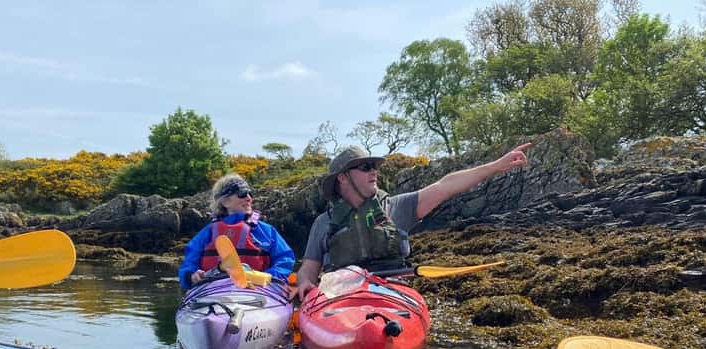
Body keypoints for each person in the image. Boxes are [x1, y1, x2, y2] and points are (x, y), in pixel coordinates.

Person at [295, 143, 532, 299]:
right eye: (365, 167)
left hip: (390, 292)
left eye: (375, 166)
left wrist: (496, 166)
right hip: (342, 297)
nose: (374, 171)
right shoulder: (323, 223)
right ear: (343, 178)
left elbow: (445, 185)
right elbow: (309, 268)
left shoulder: (397, 207)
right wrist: (305, 282)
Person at [178, 173, 296, 290]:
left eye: (250, 193)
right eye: (242, 193)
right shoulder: (206, 234)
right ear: (225, 202)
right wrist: (192, 275)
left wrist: (270, 277)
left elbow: (285, 259)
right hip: (213, 291)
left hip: (258, 291)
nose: (249, 198)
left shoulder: (266, 231)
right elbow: (188, 266)